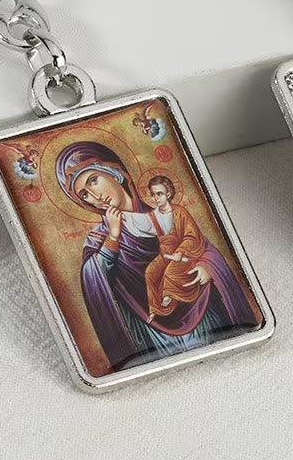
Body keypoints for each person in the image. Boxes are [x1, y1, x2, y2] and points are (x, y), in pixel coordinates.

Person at [55, 142, 260, 372]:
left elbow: (201, 245)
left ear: (116, 173)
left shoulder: (167, 213)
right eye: (84, 194)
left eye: (94, 180)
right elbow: (95, 284)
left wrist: (207, 267)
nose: (94, 195)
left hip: (198, 305)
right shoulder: (98, 239)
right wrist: (113, 236)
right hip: (150, 328)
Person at [142, 176, 206, 323]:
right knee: (150, 273)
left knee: (170, 272)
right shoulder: (153, 215)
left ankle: (168, 296)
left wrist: (180, 251)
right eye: (153, 194)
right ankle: (155, 309)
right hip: (165, 255)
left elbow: (192, 236)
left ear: (169, 194)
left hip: (184, 255)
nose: (156, 198)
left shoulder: (180, 212)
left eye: (159, 194)